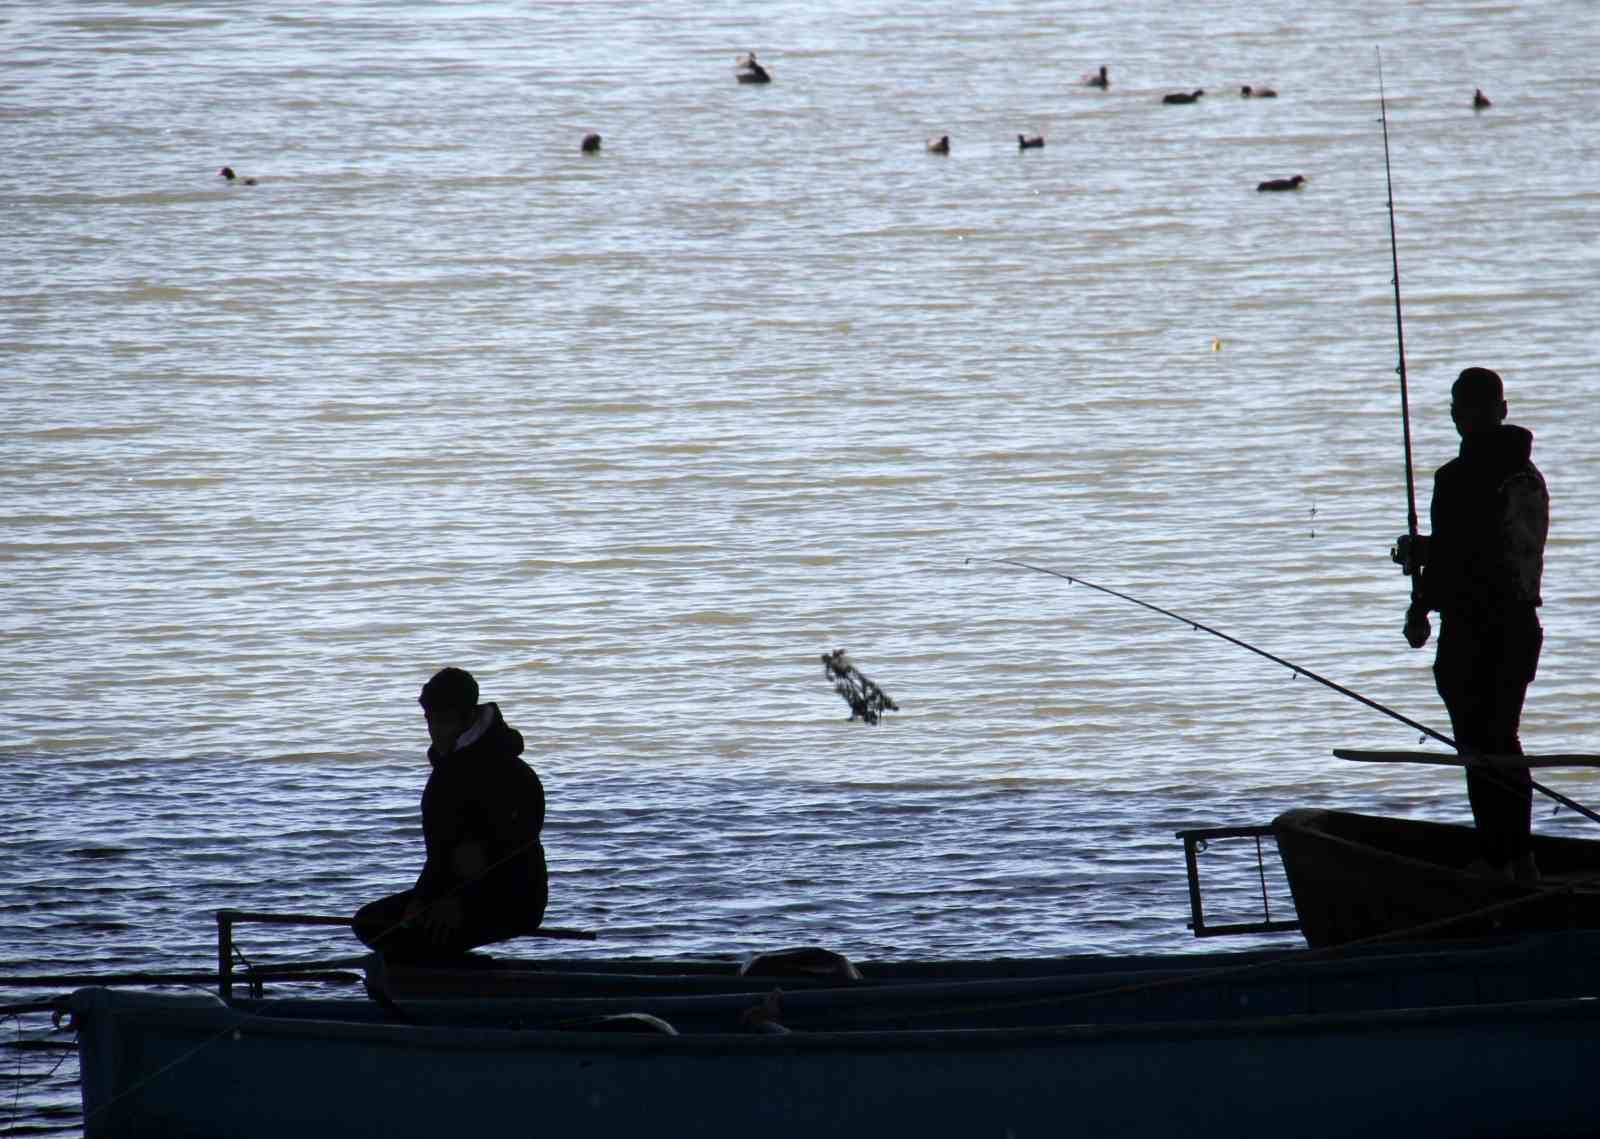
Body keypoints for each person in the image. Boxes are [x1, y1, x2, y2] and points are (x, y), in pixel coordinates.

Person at [1399, 367, 1548, 878]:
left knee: (1478, 747)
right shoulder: (1527, 475)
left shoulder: (1457, 478)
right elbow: (1486, 548)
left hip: (1473, 632)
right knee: (1503, 742)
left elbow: (1460, 562)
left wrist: (1419, 605)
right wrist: (1431, 552)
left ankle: (1496, 858)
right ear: (1502, 410)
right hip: (1520, 627)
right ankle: (1519, 857)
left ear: (1456, 415)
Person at [353, 667, 548, 959]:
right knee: (373, 924)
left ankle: (467, 977)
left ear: (468, 717)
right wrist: (423, 898)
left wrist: (451, 901)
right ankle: (453, 972)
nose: (434, 730)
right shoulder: (449, 770)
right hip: (457, 891)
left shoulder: (507, 772)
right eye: (429, 720)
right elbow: (442, 853)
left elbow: (497, 852)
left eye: (443, 720)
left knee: (398, 937)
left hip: (512, 898)